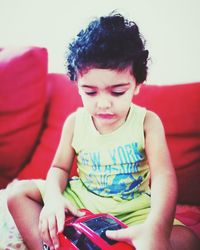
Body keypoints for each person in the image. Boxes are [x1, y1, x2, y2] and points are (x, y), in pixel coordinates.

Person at [7, 12, 199, 250]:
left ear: (137, 85)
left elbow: (163, 176)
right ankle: (51, 245)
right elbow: (59, 168)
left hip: (132, 209)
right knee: (16, 194)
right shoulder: (74, 122)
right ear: (77, 85)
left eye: (117, 92)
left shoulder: (148, 122)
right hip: (82, 201)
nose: (103, 103)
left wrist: (156, 230)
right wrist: (54, 199)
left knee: (187, 241)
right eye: (90, 92)